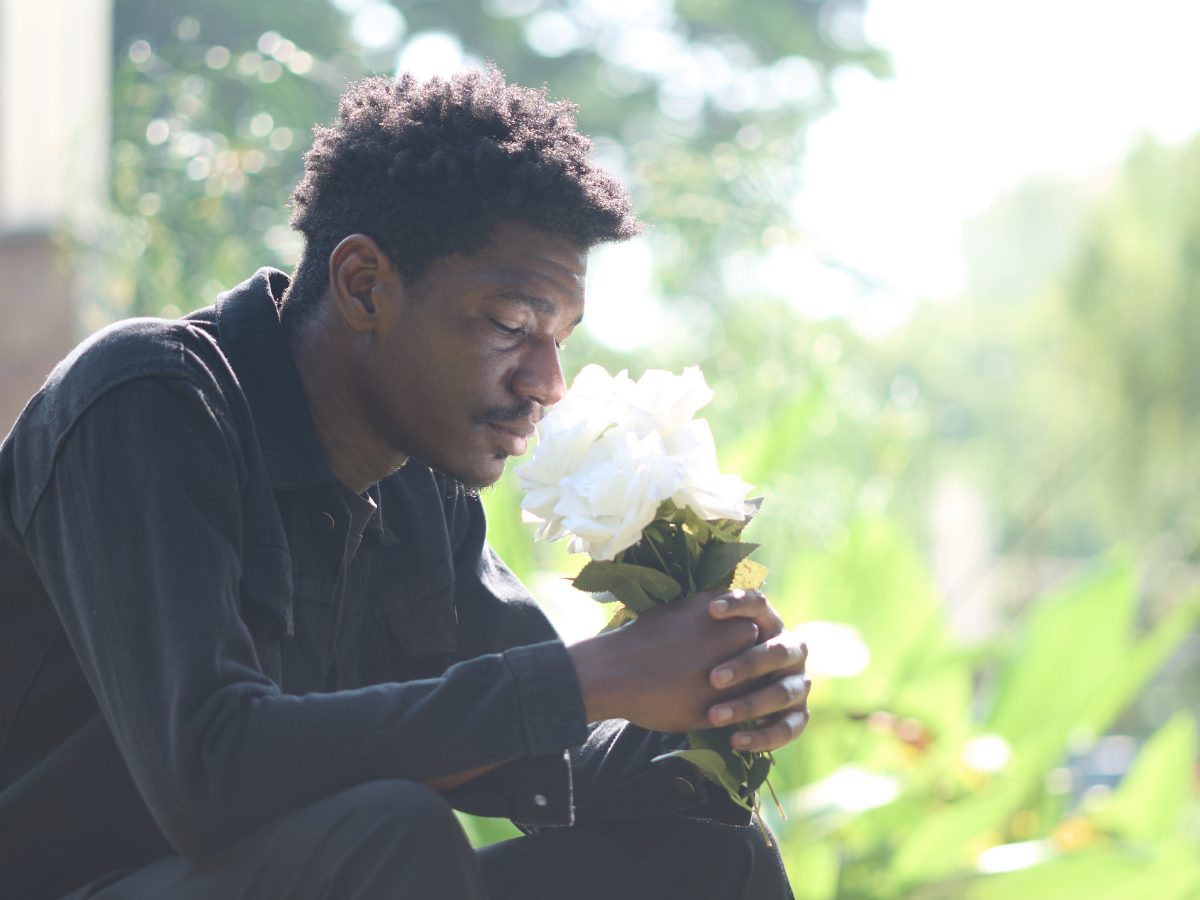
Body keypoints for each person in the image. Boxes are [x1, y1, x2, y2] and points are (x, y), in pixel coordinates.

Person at [0, 68, 810, 900]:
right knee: (390, 831)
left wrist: (710, 707)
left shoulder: (421, 489)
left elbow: (540, 748)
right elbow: (211, 770)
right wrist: (597, 677)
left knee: (710, 858)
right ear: (364, 286)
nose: (548, 380)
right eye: (509, 325)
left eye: (560, 337)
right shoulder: (147, 402)